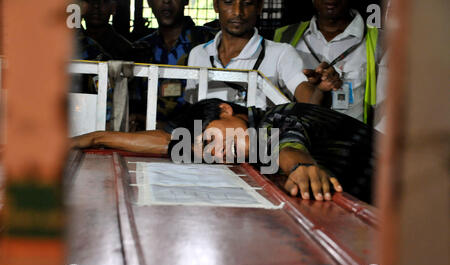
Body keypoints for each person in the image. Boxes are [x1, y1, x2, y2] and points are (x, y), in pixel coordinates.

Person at [71, 98, 377, 204]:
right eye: (207, 150)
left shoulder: (280, 116)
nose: (218, 154)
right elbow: (166, 141)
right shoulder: (240, 144)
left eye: (210, 139)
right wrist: (97, 137)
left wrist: (299, 167)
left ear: (226, 110)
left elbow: (288, 140)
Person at [185, 0, 343, 109]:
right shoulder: (199, 54)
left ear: (259, 7)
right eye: (228, 2)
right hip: (209, 150)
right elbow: (192, 108)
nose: (237, 12)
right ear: (216, 5)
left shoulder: (281, 54)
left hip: (261, 151)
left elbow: (309, 102)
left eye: (247, 3)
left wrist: (321, 90)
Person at [274, 0, 383, 124]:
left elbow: (386, 110)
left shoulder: (381, 41)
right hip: (298, 139)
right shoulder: (284, 36)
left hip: (352, 139)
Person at [131, 0, 216, 128]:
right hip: (147, 138)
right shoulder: (140, 49)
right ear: (148, 2)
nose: (166, 1)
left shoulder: (209, 42)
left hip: (196, 136)